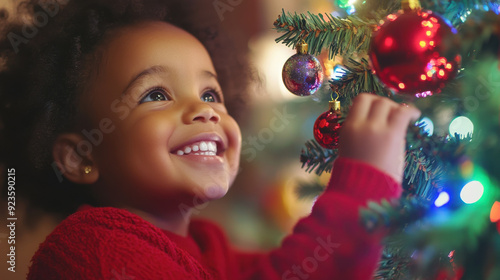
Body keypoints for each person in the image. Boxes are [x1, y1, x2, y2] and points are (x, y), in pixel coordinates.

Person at [0, 0, 420, 279]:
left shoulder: (207, 248)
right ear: (79, 156)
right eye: (156, 95)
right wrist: (361, 183)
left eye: (210, 94)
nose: (206, 111)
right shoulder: (90, 251)